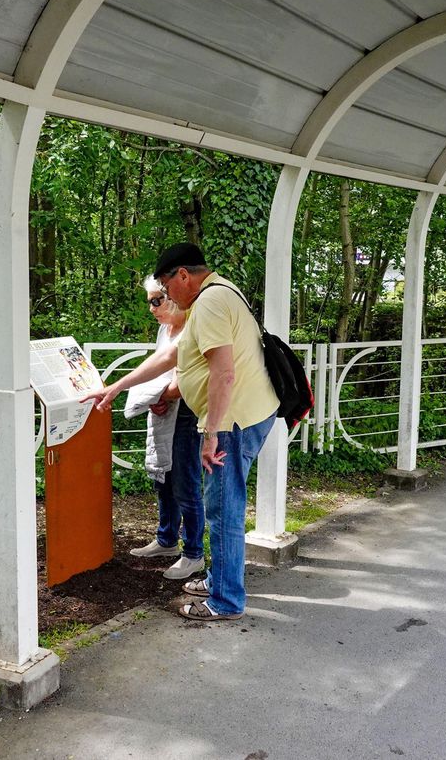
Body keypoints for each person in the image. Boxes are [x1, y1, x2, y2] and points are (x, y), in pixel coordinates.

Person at [84, 243, 277, 621]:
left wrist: (211, 434)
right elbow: (170, 356)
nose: (165, 296)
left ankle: (225, 601)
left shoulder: (209, 303)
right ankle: (220, 579)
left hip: (234, 422)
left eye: (165, 287)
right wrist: (117, 386)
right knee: (223, 505)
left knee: (224, 510)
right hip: (245, 415)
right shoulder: (217, 293)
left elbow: (223, 373)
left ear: (183, 275)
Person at [122, 277, 204, 580]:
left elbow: (190, 378)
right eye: (150, 301)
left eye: (158, 299)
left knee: (186, 482)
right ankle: (167, 539)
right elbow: (160, 369)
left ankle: (193, 553)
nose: (153, 307)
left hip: (188, 413)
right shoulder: (164, 329)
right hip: (164, 410)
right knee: (163, 478)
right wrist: (155, 398)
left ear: (174, 295)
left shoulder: (194, 326)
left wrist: (159, 396)